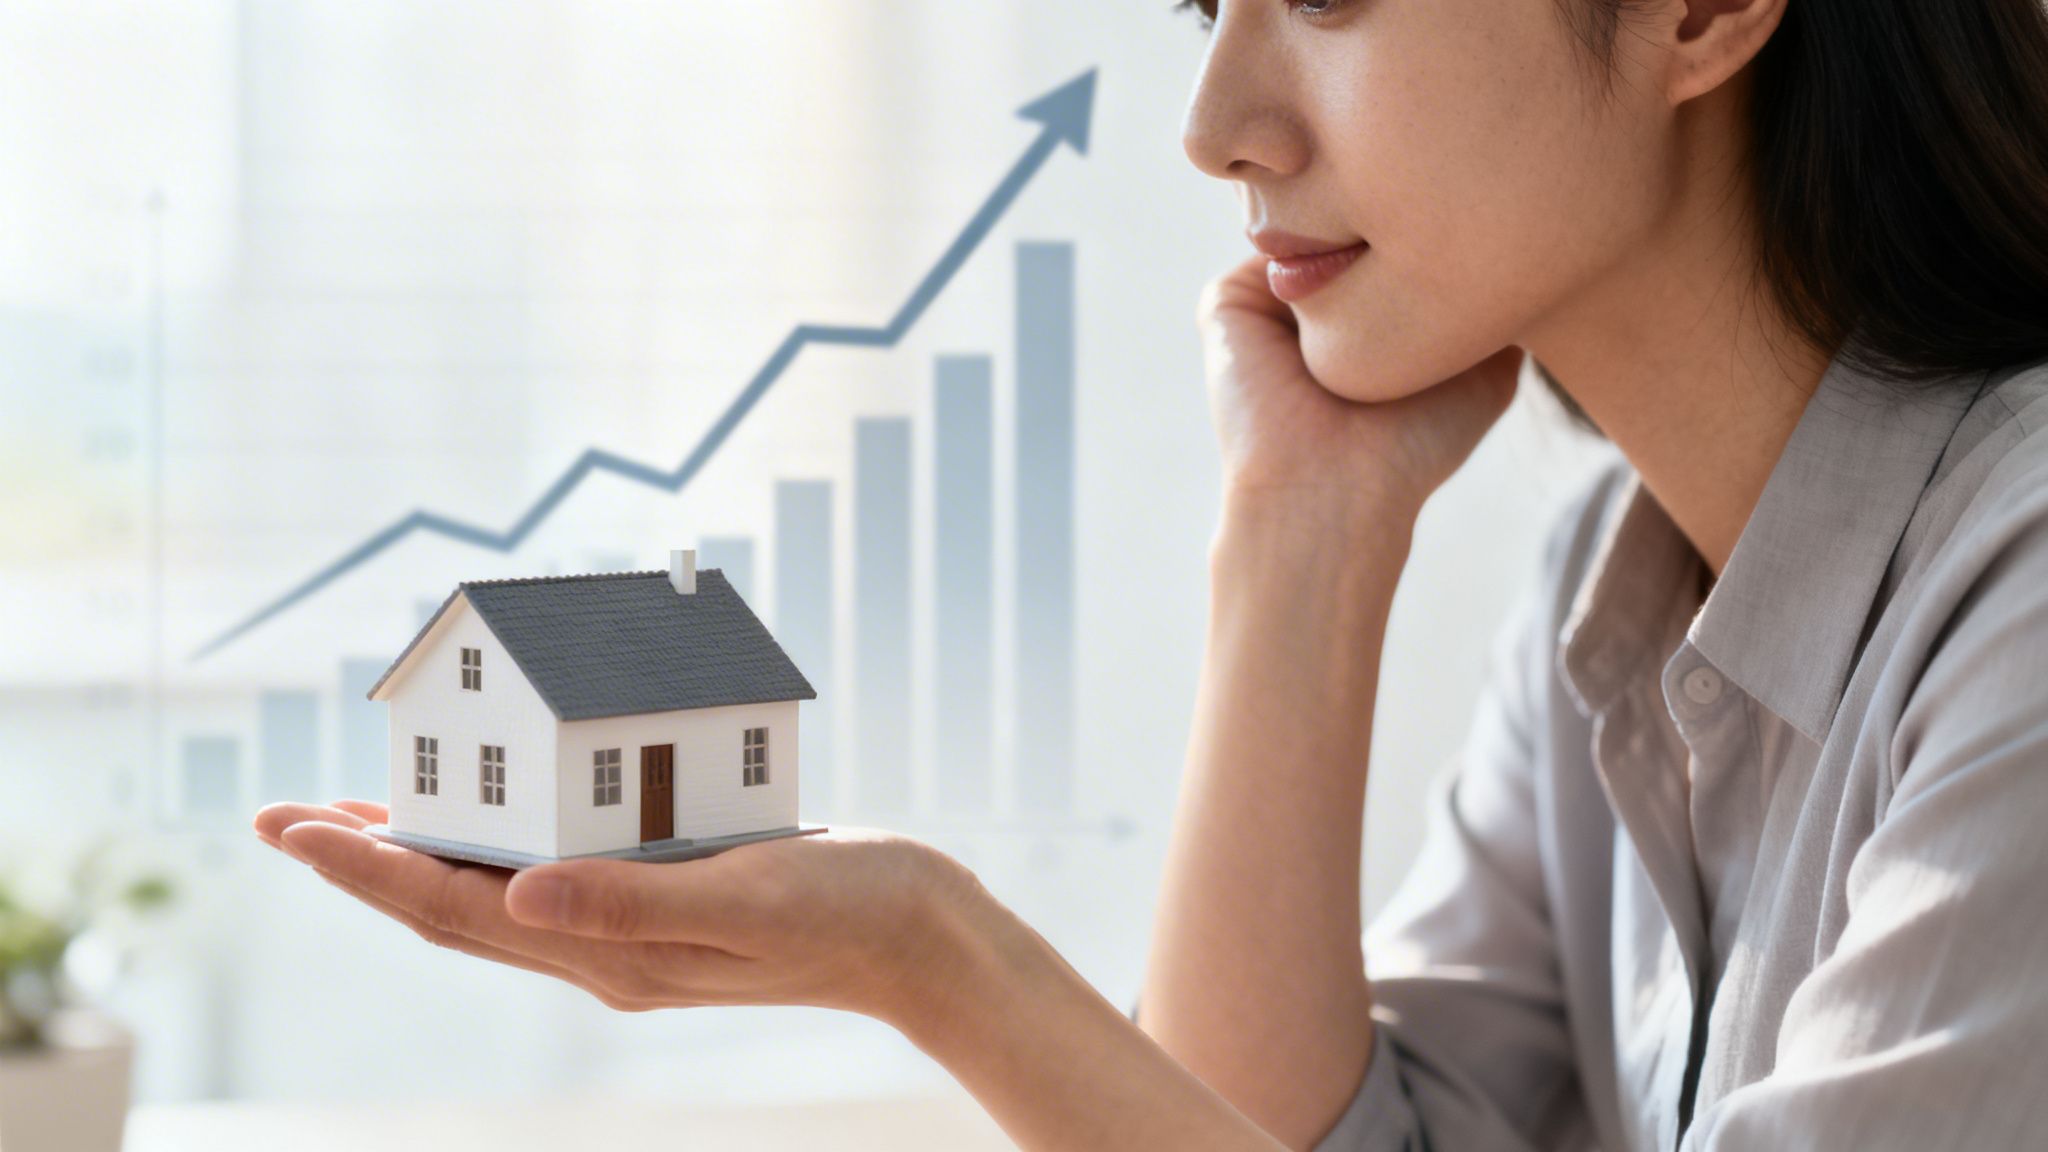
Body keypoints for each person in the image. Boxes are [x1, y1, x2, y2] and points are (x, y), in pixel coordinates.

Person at [254, 0, 2048, 1147]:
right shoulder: (1625, 582)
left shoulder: (2024, 603)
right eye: (1210, 3)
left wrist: (935, 961)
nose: (1218, 121)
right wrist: (1301, 535)